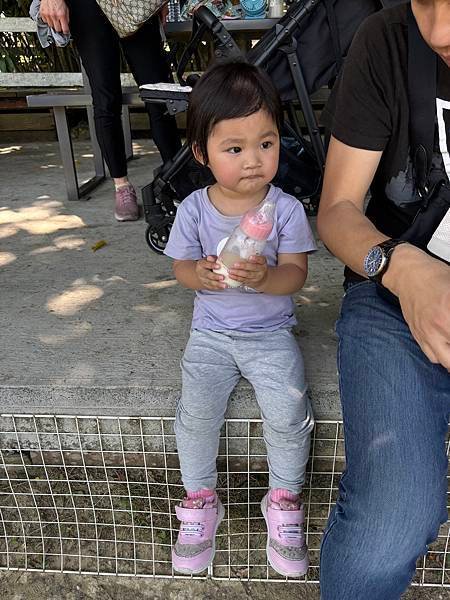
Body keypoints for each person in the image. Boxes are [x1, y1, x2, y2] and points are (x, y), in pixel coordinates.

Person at [317, 0, 450, 598]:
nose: (439, 29)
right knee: (388, 525)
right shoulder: (384, 42)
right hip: (393, 296)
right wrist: (403, 267)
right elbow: (338, 212)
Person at [163, 61, 316, 576]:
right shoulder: (194, 209)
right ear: (202, 153)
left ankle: (284, 500)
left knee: (288, 413)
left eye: (266, 143)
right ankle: (200, 498)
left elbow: (296, 274)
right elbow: (182, 265)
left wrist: (264, 280)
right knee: (196, 414)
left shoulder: (286, 210)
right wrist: (199, 276)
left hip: (270, 333)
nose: (254, 160)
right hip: (210, 334)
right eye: (235, 149)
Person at [39, 0, 182, 221]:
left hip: (136, 4)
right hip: (86, 7)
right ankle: (121, 186)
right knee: (105, 98)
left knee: (160, 93)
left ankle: (177, 175)